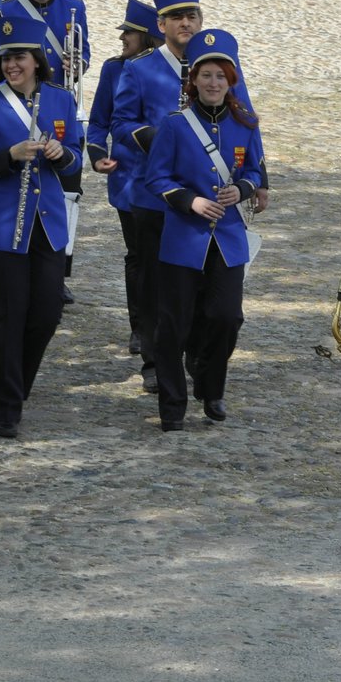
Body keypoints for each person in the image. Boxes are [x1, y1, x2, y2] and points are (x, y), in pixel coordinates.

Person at [112, 0, 263, 393]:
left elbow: (247, 118)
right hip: (156, 196)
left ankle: (197, 354)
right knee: (156, 282)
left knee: (208, 284)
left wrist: (259, 179)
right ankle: (155, 361)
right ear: (161, 24)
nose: (186, 23)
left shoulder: (222, 67)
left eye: (192, 15)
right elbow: (121, 122)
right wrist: (160, 140)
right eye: (177, 17)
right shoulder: (139, 68)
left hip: (210, 199)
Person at [0, 20, 83, 439]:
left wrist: (60, 152)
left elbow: (77, 159)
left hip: (46, 223)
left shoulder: (60, 100)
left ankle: (14, 386)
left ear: (37, 61)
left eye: (20, 57)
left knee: (46, 314)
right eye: (7, 57)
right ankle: (6, 409)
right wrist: (9, 155)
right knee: (8, 316)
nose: (12, 64)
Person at [142, 31, 263, 430]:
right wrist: (189, 200)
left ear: (231, 82)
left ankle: (211, 388)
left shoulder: (246, 123)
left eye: (221, 77)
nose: (213, 83)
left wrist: (242, 189)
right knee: (173, 324)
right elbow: (155, 177)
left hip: (227, 239)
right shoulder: (176, 125)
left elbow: (257, 171)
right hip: (183, 238)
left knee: (227, 317)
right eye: (206, 75)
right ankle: (172, 405)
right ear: (193, 80)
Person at [0, 0, 90, 305]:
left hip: (61, 109)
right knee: (20, 191)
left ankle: (59, 272)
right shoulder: (9, 8)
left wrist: (77, 64)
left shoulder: (74, 7)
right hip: (20, 109)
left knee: (67, 194)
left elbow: (84, 54)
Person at [86, 0, 160, 357]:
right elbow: (99, 120)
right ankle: (141, 328)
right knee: (137, 256)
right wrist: (98, 154)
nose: (122, 40)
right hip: (130, 178)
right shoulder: (113, 70)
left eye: (128, 34)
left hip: (174, 179)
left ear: (147, 37)